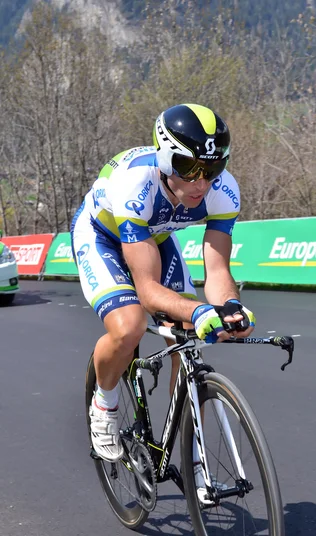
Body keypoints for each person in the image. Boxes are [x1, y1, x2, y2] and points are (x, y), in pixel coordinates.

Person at [71, 103, 256, 473]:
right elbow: (148, 289)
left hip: (153, 237)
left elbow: (217, 270)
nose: (202, 183)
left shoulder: (224, 192)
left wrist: (230, 307)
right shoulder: (135, 184)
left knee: (188, 334)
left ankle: (186, 438)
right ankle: (104, 403)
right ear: (167, 159)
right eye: (189, 169)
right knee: (130, 326)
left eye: (213, 168)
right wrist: (200, 309)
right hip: (102, 236)